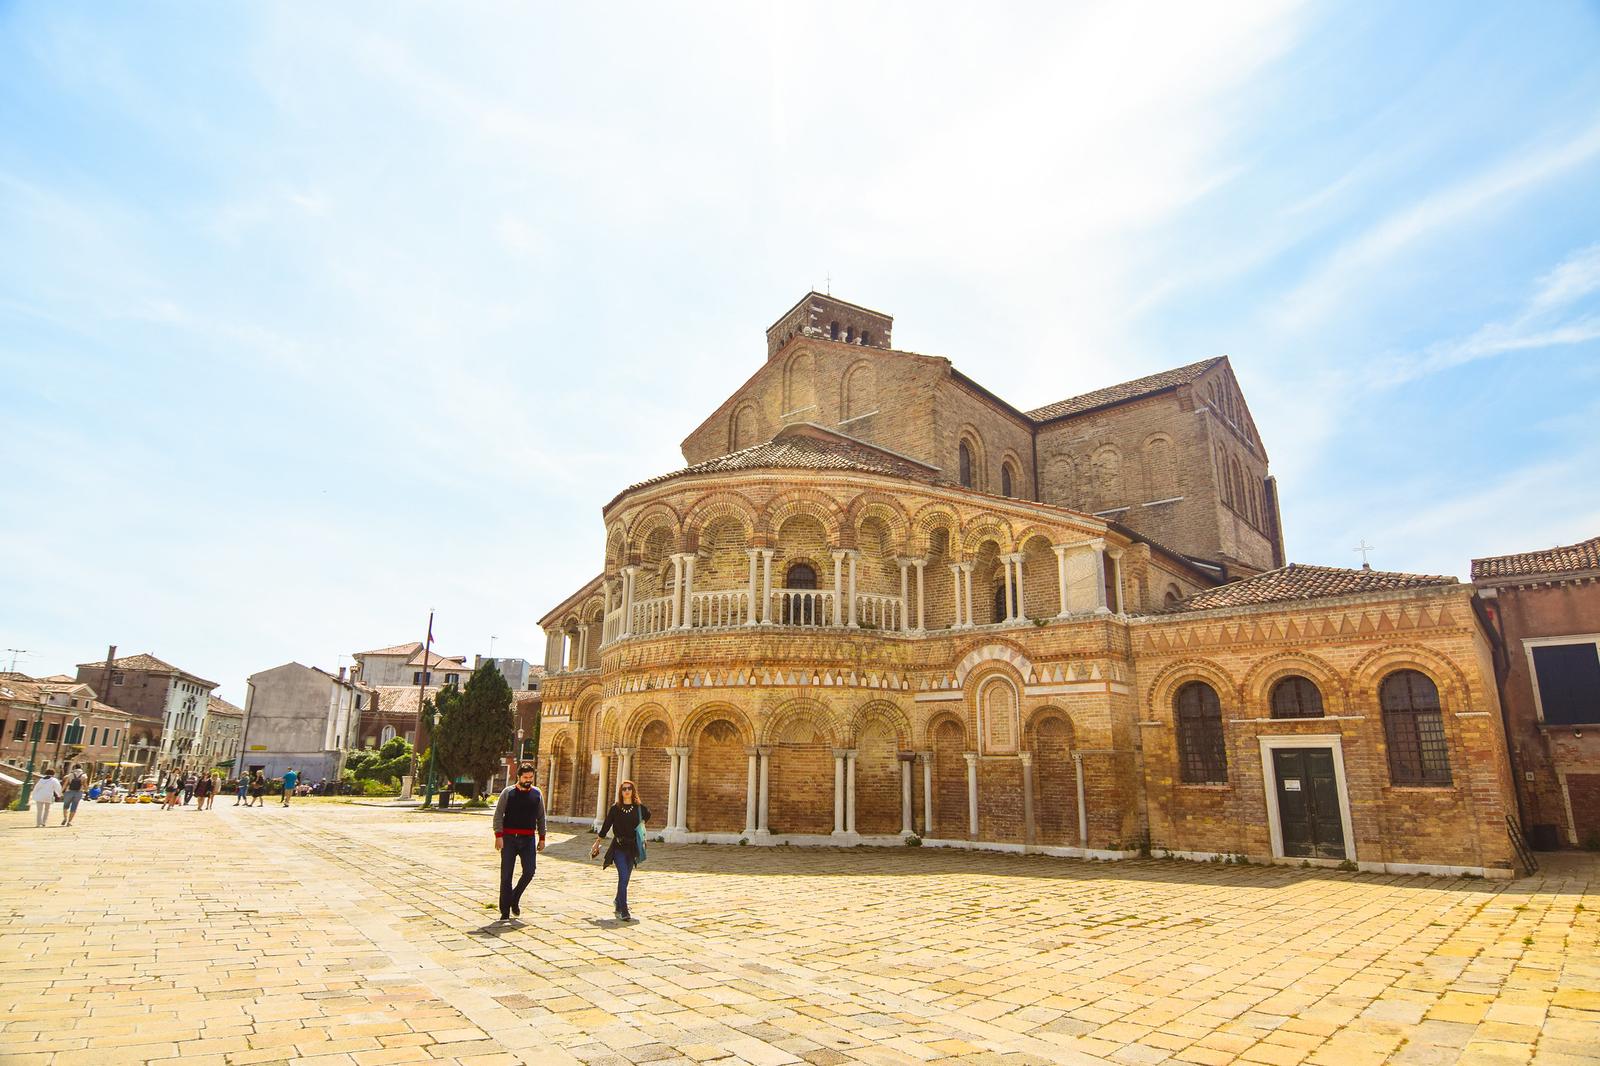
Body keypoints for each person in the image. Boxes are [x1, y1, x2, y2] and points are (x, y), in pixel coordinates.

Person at [492, 762, 547, 922]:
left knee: (529, 871)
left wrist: (542, 838)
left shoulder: (537, 794)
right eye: (525, 777)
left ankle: (514, 898)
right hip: (509, 838)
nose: (528, 780)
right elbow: (498, 815)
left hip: (528, 839)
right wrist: (498, 836)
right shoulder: (508, 793)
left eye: (531, 777)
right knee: (506, 875)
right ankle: (505, 911)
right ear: (519, 777)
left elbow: (541, 817)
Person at [590, 779, 650, 921]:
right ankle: (624, 909)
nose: (627, 791)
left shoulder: (639, 808)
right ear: (621, 792)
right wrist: (597, 842)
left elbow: (648, 814)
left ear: (633, 791)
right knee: (623, 876)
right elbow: (606, 825)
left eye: (629, 788)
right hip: (618, 847)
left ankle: (618, 901)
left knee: (626, 878)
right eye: (624, 789)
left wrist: (641, 824)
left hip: (632, 847)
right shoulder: (615, 808)